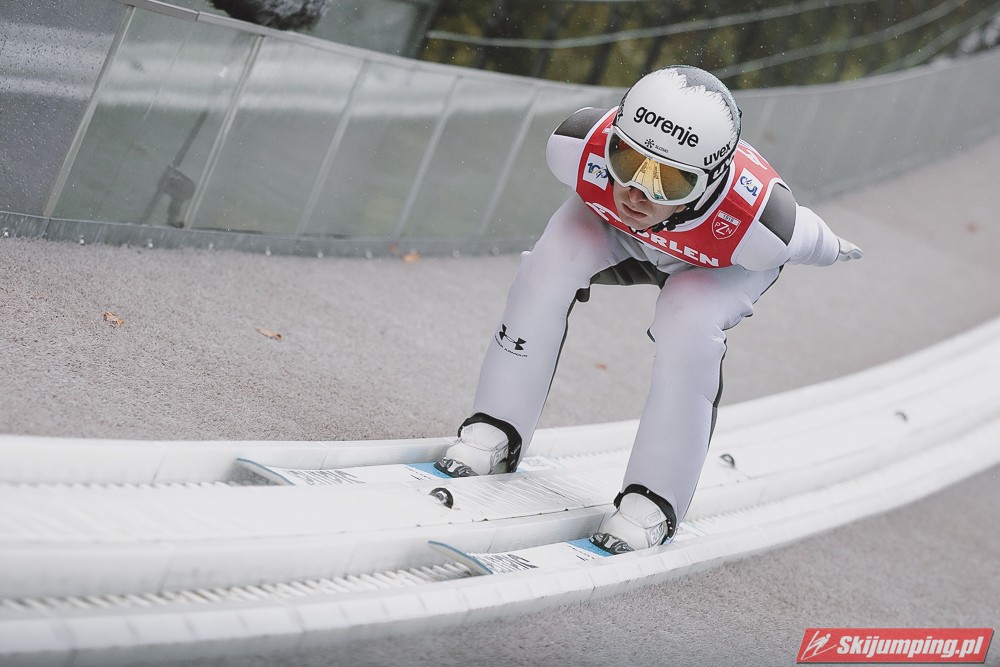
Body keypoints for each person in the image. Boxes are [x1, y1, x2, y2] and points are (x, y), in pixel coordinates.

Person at [434, 65, 862, 554]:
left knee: (689, 325)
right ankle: (496, 427)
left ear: (709, 183)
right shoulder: (578, 145)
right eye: (627, 159)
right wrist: (650, 187)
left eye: (669, 180)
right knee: (549, 265)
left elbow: (809, 236)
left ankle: (653, 499)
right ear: (612, 139)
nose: (637, 191)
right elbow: (620, 187)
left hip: (716, 264)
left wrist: (836, 247)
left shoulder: (762, 227)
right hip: (615, 232)